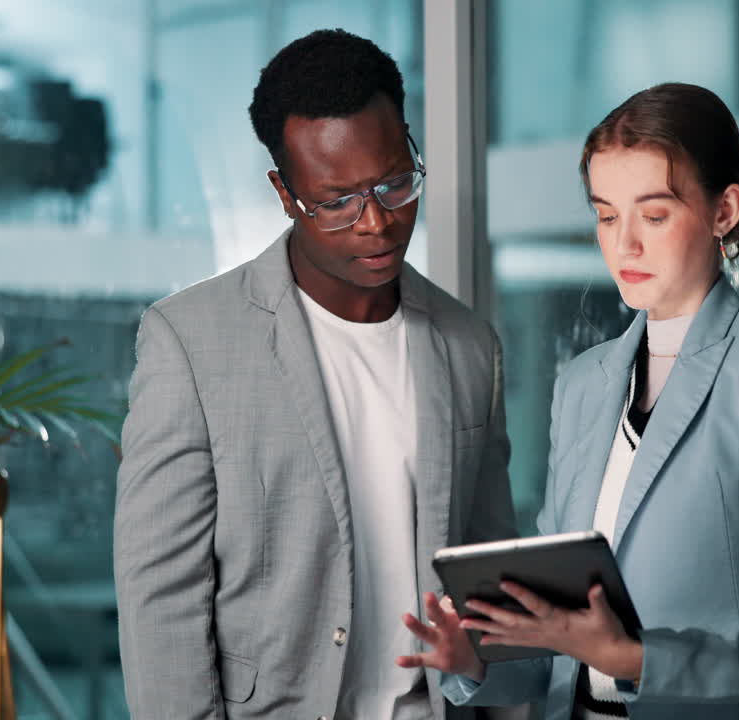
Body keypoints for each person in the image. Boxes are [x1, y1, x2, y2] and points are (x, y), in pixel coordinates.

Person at [398, 82, 739, 720]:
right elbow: (556, 651)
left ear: (725, 210)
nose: (624, 244)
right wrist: (472, 660)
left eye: (654, 215)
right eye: (607, 216)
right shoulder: (583, 384)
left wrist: (634, 657)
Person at [114, 28, 515, 720]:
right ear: (285, 192)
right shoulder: (190, 342)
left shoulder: (469, 345)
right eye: (336, 201)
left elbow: (491, 585)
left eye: (395, 183)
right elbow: (160, 599)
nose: (376, 222)